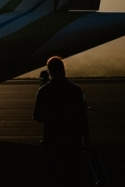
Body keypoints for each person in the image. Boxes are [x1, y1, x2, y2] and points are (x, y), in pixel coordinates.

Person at [33, 56, 90, 184]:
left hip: (52, 139)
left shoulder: (44, 91)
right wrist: (87, 139)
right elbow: (82, 116)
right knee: (73, 175)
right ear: (63, 69)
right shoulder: (75, 90)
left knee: (55, 175)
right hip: (73, 140)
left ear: (49, 71)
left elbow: (37, 115)